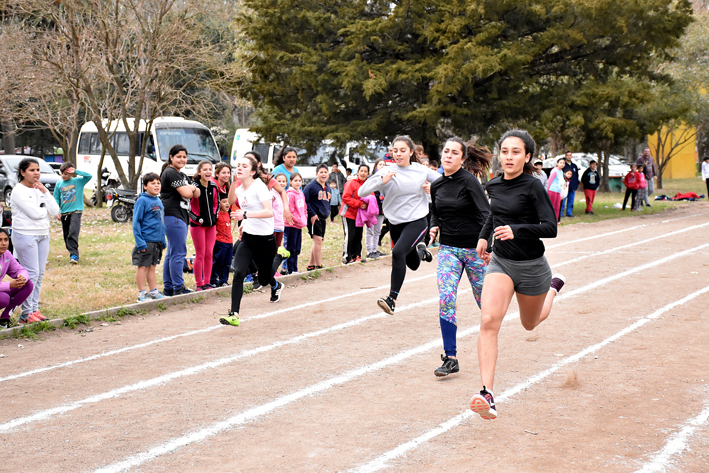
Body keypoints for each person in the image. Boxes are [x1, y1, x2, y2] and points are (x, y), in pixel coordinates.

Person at [470, 129, 565, 420]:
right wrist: (484, 237)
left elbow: (551, 227)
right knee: (488, 321)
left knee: (530, 323)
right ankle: (487, 393)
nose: (509, 157)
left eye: (516, 152)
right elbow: (493, 214)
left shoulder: (533, 186)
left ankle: (552, 289)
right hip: (501, 262)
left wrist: (517, 230)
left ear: (527, 157)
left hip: (533, 266)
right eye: (505, 151)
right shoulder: (494, 184)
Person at [358, 135, 441, 314]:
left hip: (417, 221)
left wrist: (432, 189)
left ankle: (392, 299)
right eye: (395, 151)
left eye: (402, 150)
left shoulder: (421, 170)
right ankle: (422, 252)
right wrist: (382, 181)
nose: (398, 154)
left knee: (397, 252)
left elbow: (445, 182)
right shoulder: (386, 171)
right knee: (412, 263)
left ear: (411, 152)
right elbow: (361, 191)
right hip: (395, 223)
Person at [429, 138, 491, 377]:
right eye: (446, 151)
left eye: (455, 153)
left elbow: (487, 214)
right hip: (448, 250)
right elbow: (435, 212)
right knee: (446, 298)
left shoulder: (470, 182)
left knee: (485, 303)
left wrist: (487, 246)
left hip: (474, 251)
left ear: (463, 159)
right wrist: (433, 227)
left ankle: (489, 343)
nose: (449, 156)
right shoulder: (437, 185)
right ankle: (450, 357)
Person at [220, 154, 284, 327]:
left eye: (244, 166)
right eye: (238, 165)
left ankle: (279, 257)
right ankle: (234, 314)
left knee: (263, 281)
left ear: (253, 171)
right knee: (239, 273)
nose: (239, 168)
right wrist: (233, 183)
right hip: (248, 238)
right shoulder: (240, 188)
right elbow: (232, 200)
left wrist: (245, 215)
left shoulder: (260, 188)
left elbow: (269, 212)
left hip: (265, 240)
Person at [10, 157, 60, 323]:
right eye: (32, 170)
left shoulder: (39, 189)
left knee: (40, 274)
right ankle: (26, 314)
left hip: (43, 233)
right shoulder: (18, 191)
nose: (36, 173)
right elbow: (35, 213)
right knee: (31, 273)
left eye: (38, 170)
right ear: (22, 172)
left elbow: (54, 210)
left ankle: (34, 309)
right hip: (25, 234)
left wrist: (45, 192)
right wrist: (44, 210)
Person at [161, 144, 200, 296]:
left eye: (184, 157)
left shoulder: (181, 174)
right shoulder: (171, 172)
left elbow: (197, 193)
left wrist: (191, 188)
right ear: (171, 157)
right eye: (178, 156)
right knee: (178, 253)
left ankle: (169, 287)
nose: (182, 159)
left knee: (172, 253)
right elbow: (188, 193)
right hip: (173, 215)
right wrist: (190, 187)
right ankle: (178, 287)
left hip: (180, 216)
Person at [132, 173, 167, 302]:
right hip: (146, 241)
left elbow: (161, 222)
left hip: (157, 241)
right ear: (145, 186)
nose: (156, 185)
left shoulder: (158, 200)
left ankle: (153, 291)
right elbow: (136, 223)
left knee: (152, 266)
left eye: (158, 183)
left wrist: (163, 240)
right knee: (143, 266)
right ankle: (142, 293)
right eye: (152, 183)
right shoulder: (142, 200)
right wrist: (140, 242)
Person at [190, 161, 220, 291]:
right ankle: (199, 283)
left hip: (211, 225)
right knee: (200, 254)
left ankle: (207, 282)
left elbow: (216, 204)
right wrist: (198, 219)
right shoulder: (194, 187)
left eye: (210, 169)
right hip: (198, 225)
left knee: (209, 253)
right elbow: (189, 207)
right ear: (199, 172)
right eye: (205, 170)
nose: (208, 172)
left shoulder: (213, 186)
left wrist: (213, 217)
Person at [53, 162, 92, 264]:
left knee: (73, 231)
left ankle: (74, 255)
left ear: (71, 173)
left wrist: (76, 171)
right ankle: (71, 251)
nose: (63, 176)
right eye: (62, 173)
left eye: (66, 174)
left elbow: (89, 176)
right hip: (64, 213)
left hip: (76, 211)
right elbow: (56, 199)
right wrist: (56, 211)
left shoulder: (78, 181)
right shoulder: (59, 184)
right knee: (66, 235)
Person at [0, 228, 33, 328]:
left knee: (28, 284)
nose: (3, 243)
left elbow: (22, 270)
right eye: (0, 240)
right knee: (3, 299)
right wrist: (10, 285)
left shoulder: (6, 255)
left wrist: (22, 277)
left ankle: (4, 319)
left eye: (6, 239)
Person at [303, 164, 331, 271]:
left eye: (325, 172)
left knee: (318, 241)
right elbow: (305, 201)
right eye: (321, 172)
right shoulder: (311, 186)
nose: (323, 174)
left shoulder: (328, 187)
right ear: (316, 174)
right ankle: (318, 265)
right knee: (318, 240)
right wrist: (312, 213)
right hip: (314, 217)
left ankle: (311, 264)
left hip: (323, 217)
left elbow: (326, 203)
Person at [342, 164, 370, 264]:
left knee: (358, 235)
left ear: (368, 174)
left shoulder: (367, 184)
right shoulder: (351, 183)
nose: (363, 173)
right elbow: (346, 197)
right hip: (349, 213)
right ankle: (347, 257)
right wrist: (359, 204)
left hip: (360, 215)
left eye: (365, 171)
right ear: (358, 172)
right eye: (361, 171)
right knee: (350, 235)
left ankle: (357, 255)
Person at [283, 173, 307, 273]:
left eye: (299, 181)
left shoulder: (301, 193)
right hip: (291, 225)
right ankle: (290, 269)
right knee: (291, 248)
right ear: (291, 182)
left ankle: (295, 268)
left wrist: (304, 218)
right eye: (295, 180)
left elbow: (304, 208)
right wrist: (298, 220)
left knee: (297, 248)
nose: (298, 183)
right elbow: (290, 211)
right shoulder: (290, 194)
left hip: (299, 225)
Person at [210, 197, 234, 287]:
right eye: (224, 202)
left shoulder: (229, 214)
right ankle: (213, 279)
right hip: (220, 241)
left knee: (227, 262)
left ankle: (224, 280)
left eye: (228, 202)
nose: (227, 204)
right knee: (218, 261)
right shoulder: (217, 214)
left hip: (229, 241)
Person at [365, 159, 387, 259]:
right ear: (376, 166)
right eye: (380, 164)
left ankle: (375, 249)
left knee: (378, 230)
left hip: (382, 207)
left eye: (384, 164)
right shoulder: (372, 177)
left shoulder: (387, 177)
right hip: (372, 207)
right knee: (370, 230)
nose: (382, 166)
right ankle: (369, 251)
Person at [560, 151, 579, 218]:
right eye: (567, 155)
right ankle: (561, 213)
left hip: (572, 186)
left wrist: (576, 184)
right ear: (565, 156)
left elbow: (576, 176)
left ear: (572, 156)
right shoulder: (563, 166)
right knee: (563, 200)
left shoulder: (574, 166)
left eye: (570, 155)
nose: (569, 156)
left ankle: (569, 213)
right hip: (564, 186)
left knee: (571, 200)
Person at [546, 157, 565, 222]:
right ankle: (549, 220)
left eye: (563, 163)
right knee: (552, 206)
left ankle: (555, 221)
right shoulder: (554, 171)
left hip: (558, 190)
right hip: (552, 190)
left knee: (557, 207)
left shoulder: (561, 171)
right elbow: (549, 181)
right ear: (557, 163)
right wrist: (547, 190)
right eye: (561, 163)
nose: (562, 164)